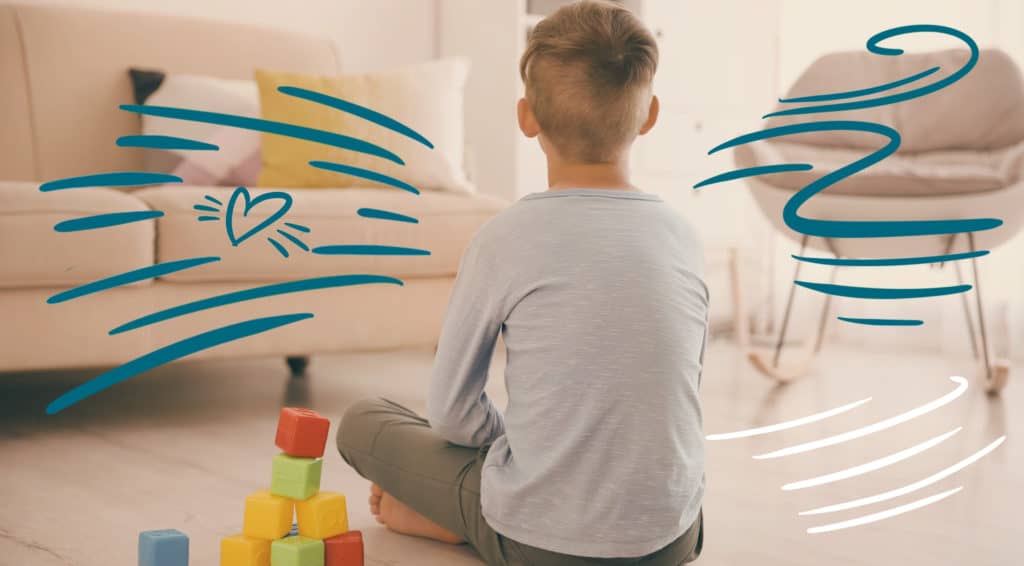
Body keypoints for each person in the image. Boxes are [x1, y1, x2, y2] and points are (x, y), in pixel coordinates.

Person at [337, 1, 708, 563]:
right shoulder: (684, 237)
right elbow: (669, 399)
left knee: (364, 422)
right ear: (649, 114)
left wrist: (531, 443)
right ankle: (479, 506)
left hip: (542, 546)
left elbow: (453, 413)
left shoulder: (505, 236)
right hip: (673, 540)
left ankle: (460, 521)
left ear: (526, 115)